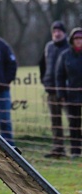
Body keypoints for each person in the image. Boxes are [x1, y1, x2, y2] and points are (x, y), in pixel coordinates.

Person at [39, 21, 69, 158]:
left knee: (73, 121)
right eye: (54, 31)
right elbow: (43, 65)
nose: (56, 34)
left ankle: (76, 149)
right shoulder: (48, 47)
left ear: (64, 33)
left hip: (68, 91)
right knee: (55, 122)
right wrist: (45, 81)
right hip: (51, 90)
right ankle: (58, 149)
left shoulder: (70, 47)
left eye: (59, 31)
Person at [55, 27, 82, 159]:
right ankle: (75, 151)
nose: (79, 41)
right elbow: (60, 76)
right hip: (72, 95)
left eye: (81, 38)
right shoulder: (65, 55)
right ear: (72, 40)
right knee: (74, 124)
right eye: (76, 38)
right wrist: (61, 94)